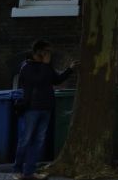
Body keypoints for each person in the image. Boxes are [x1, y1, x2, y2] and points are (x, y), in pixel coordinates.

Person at [12, 40, 77, 180]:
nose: (49, 54)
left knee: (38, 141)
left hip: (46, 108)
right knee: (26, 139)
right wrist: (45, 65)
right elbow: (38, 81)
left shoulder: (46, 66)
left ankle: (30, 171)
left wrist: (69, 69)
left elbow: (56, 80)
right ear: (38, 52)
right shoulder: (26, 67)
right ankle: (17, 170)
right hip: (32, 108)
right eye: (47, 51)